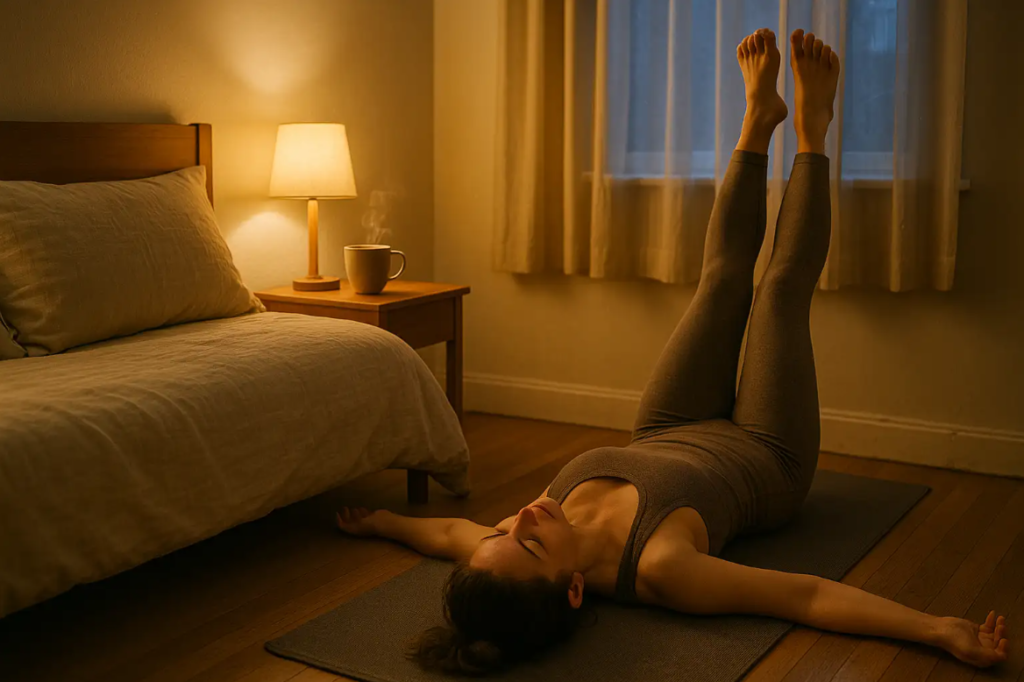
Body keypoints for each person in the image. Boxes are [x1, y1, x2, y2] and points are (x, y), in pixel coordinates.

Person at [336, 29, 1010, 676]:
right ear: (574, 589)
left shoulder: (509, 540)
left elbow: (447, 532)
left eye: (502, 535)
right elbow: (805, 598)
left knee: (718, 282)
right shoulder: (660, 567)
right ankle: (812, 128)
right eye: (530, 543)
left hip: (667, 428)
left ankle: (758, 117)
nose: (525, 519)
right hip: (764, 453)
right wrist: (938, 629)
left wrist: (383, 521)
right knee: (777, 293)